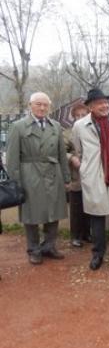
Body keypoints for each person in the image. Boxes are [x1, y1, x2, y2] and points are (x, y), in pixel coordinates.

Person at [6, 92, 70, 265]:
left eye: (45, 105)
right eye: (38, 104)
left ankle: (49, 246)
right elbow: (12, 158)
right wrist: (16, 183)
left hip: (53, 173)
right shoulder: (18, 127)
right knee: (31, 214)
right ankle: (34, 249)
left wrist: (66, 176)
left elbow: (62, 154)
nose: (42, 108)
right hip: (30, 174)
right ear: (30, 105)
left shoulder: (56, 126)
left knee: (53, 212)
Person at [72, 88, 109, 270]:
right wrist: (84, 169)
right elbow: (78, 151)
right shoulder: (79, 126)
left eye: (105, 102)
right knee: (96, 216)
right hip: (94, 176)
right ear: (90, 107)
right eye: (98, 103)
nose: (104, 105)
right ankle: (98, 253)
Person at [64, 103, 91, 247]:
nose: (80, 118)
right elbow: (61, 150)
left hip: (91, 174)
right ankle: (75, 236)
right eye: (77, 115)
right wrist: (71, 158)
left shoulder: (92, 129)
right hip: (76, 176)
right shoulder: (68, 132)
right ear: (73, 117)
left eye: (84, 115)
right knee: (76, 207)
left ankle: (87, 233)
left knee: (90, 207)